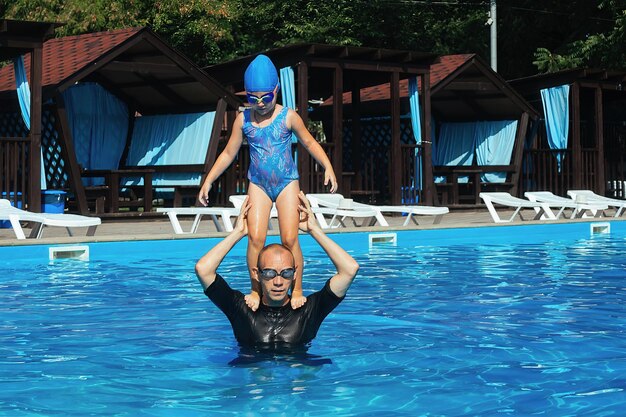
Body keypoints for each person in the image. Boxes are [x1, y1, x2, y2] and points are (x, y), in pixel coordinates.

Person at [198, 54, 338, 312]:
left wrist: (327, 166)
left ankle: (296, 288)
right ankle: (256, 289)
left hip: (286, 183)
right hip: (259, 184)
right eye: (253, 98)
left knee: (289, 237)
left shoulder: (288, 116)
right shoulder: (244, 120)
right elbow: (229, 153)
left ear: (277, 91)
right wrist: (208, 181)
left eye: (266, 97)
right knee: (255, 238)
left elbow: (309, 142)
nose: (260, 104)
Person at [194, 192, 358, 347]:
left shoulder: (309, 311)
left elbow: (350, 269)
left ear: (295, 274)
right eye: (270, 273)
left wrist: (314, 230)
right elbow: (203, 269)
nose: (278, 282)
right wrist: (238, 232)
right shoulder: (241, 309)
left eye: (286, 273)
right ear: (256, 274)